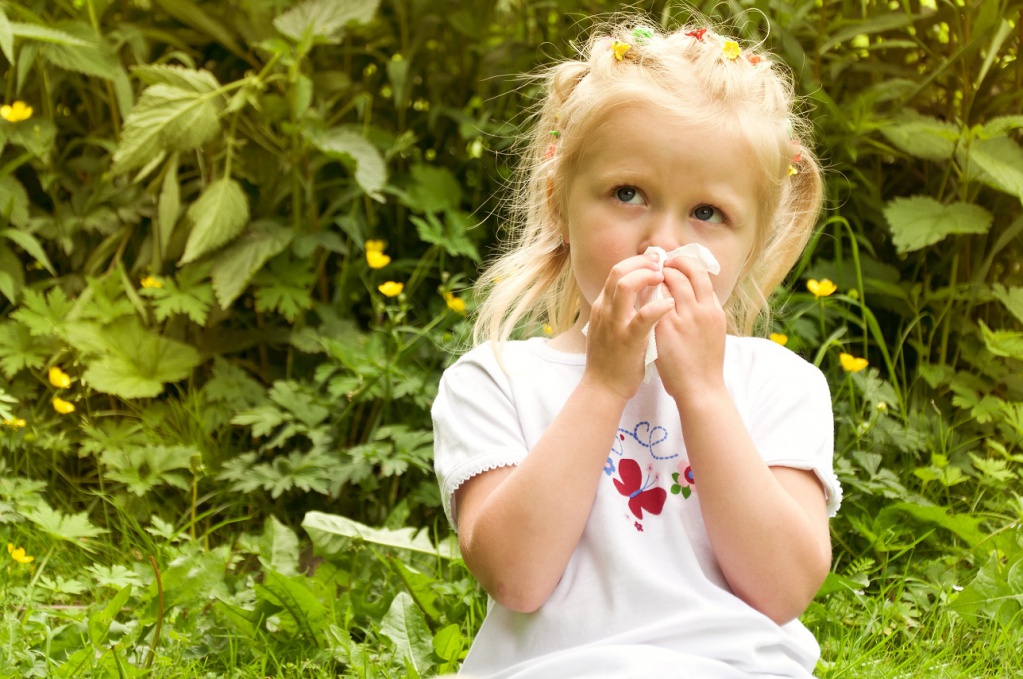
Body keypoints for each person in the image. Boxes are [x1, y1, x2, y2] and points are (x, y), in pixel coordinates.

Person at [432, 18, 842, 678]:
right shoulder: (495, 380)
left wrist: (702, 393)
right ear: (558, 201)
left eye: (707, 212)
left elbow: (782, 588)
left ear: (754, 240)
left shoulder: (776, 384)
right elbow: (516, 577)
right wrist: (601, 385)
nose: (661, 239)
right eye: (627, 194)